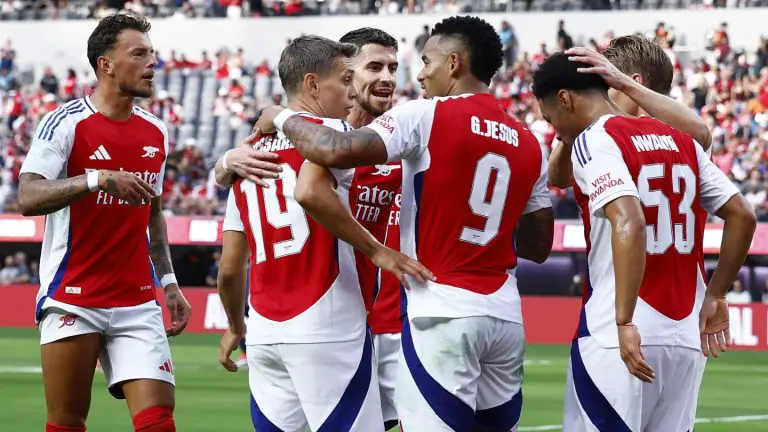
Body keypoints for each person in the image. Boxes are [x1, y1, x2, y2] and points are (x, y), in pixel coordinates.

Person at [255, 16, 554, 431]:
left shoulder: (420, 120)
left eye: (423, 61)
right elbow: (539, 246)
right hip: (498, 313)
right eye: (375, 68)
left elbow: (335, 151)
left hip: (431, 309)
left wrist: (280, 115)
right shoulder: (527, 139)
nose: (415, 74)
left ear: (452, 64)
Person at [215, 35, 430, 432]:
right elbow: (310, 190)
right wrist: (378, 251)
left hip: (264, 329)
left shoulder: (250, 157)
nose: (350, 89)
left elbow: (229, 270)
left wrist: (235, 326)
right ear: (314, 84)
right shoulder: (332, 133)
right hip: (329, 319)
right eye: (347, 78)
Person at [531, 52, 756, 431]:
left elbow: (630, 221)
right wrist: (716, 295)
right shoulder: (682, 140)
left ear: (565, 99)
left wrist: (623, 320)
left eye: (552, 118)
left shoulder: (594, 139)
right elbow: (743, 215)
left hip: (618, 329)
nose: (556, 130)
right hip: (686, 334)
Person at [16, 14, 190, 432]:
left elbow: (154, 214)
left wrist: (169, 283)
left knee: (158, 421)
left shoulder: (156, 131)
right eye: (140, 53)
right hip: (73, 296)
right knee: (67, 423)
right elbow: (27, 196)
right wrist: (98, 179)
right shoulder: (66, 122)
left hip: (137, 301)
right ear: (106, 64)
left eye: (153, 53)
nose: (153, 63)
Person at [548, 35, 713, 189]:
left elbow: (701, 131)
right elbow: (558, 179)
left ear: (631, 82)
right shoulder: (601, 133)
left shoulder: (682, 131)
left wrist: (625, 84)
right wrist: (571, 126)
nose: (599, 96)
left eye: (606, 86)